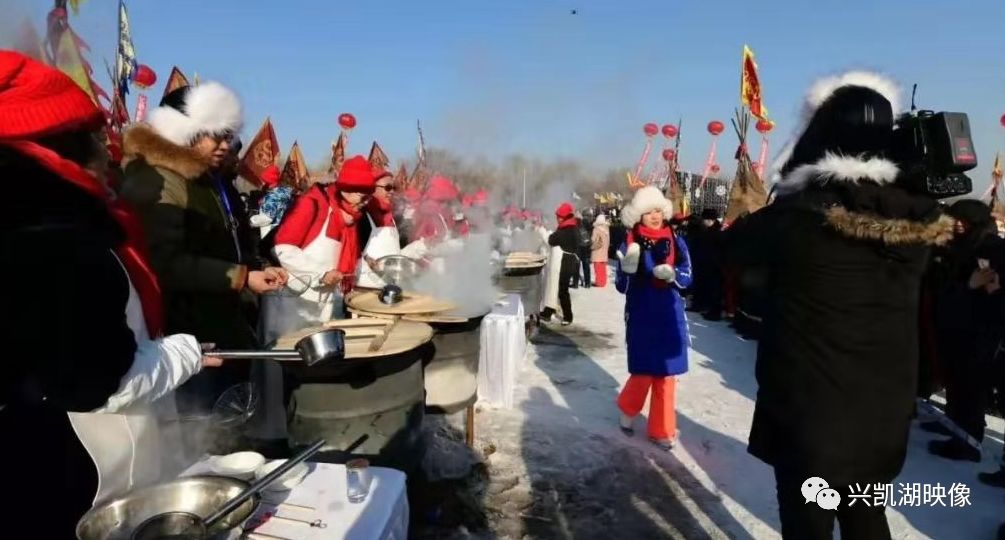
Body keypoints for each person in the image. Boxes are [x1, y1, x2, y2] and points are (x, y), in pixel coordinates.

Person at [0, 51, 218, 538]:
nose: (108, 154)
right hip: (70, 478)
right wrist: (185, 351)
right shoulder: (52, 238)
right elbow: (99, 382)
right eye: (98, 139)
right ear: (63, 149)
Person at [729, 71, 955, 539]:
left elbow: (728, 251)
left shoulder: (796, 216)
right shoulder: (919, 215)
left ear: (820, 137)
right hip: (882, 413)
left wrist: (796, 172)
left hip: (808, 413)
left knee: (808, 520)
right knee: (865, 512)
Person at [120, 82, 288, 417]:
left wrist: (256, 264)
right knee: (206, 432)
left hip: (223, 324)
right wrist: (241, 277)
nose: (227, 145)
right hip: (186, 335)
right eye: (217, 135)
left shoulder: (212, 177)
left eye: (230, 136)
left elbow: (233, 237)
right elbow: (162, 263)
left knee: (233, 424)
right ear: (185, 131)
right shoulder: (160, 179)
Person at [614, 187, 692, 450]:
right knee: (644, 372)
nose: (654, 216)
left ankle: (661, 430)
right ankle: (628, 408)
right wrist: (626, 271)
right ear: (639, 216)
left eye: (658, 210)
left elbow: (688, 275)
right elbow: (621, 286)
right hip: (642, 310)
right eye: (648, 212)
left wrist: (673, 275)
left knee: (667, 376)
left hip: (669, 313)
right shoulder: (630, 241)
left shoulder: (676, 239)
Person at [927, 200, 1002, 462]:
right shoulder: (960, 244)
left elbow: (991, 290)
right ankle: (952, 424)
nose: (958, 224)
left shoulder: (991, 246)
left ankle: (967, 441)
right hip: (956, 324)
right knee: (955, 381)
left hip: (979, 331)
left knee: (971, 387)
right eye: (955, 218)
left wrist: (979, 286)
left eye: (964, 220)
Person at [357, 167, 401, 289]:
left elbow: (398, 254)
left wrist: (422, 246)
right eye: (387, 187)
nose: (392, 192)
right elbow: (352, 255)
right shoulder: (362, 217)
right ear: (372, 189)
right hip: (366, 289)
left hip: (392, 286)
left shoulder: (393, 218)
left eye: (394, 188)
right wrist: (366, 260)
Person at [540, 202, 580, 325]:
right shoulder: (572, 227)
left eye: (559, 217)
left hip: (565, 262)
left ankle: (568, 316)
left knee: (562, 289)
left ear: (564, 217)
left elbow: (551, 240)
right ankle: (549, 310)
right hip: (567, 261)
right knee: (554, 287)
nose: (557, 220)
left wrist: (541, 231)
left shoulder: (566, 229)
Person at [591, 213, 611, 287]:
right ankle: (603, 282)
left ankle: (598, 282)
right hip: (604, 251)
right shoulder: (606, 229)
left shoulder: (596, 229)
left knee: (597, 268)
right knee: (603, 268)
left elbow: (593, 239)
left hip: (597, 251)